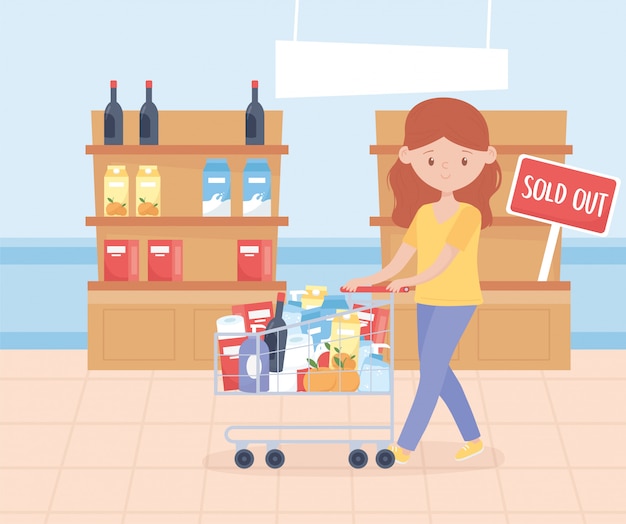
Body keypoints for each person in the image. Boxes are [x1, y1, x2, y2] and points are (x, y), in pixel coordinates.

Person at [344, 97, 501, 463]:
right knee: (437, 369)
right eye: (432, 159)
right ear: (410, 158)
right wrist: (365, 280)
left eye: (462, 159)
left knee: (430, 374)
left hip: (458, 299)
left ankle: (404, 446)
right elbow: (396, 264)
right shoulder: (424, 214)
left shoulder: (469, 215)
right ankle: (473, 438)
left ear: (484, 157)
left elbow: (444, 261)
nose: (446, 169)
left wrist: (411, 280)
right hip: (427, 299)